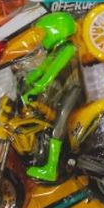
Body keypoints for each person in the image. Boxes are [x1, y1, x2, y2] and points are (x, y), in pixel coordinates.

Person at [20, 12, 85, 183]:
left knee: (58, 126)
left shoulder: (68, 49)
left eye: (45, 33)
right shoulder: (56, 51)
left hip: (74, 92)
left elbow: (51, 73)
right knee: (46, 122)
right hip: (65, 93)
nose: (42, 39)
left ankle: (51, 168)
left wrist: (37, 88)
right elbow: (41, 70)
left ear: (56, 31)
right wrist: (25, 79)